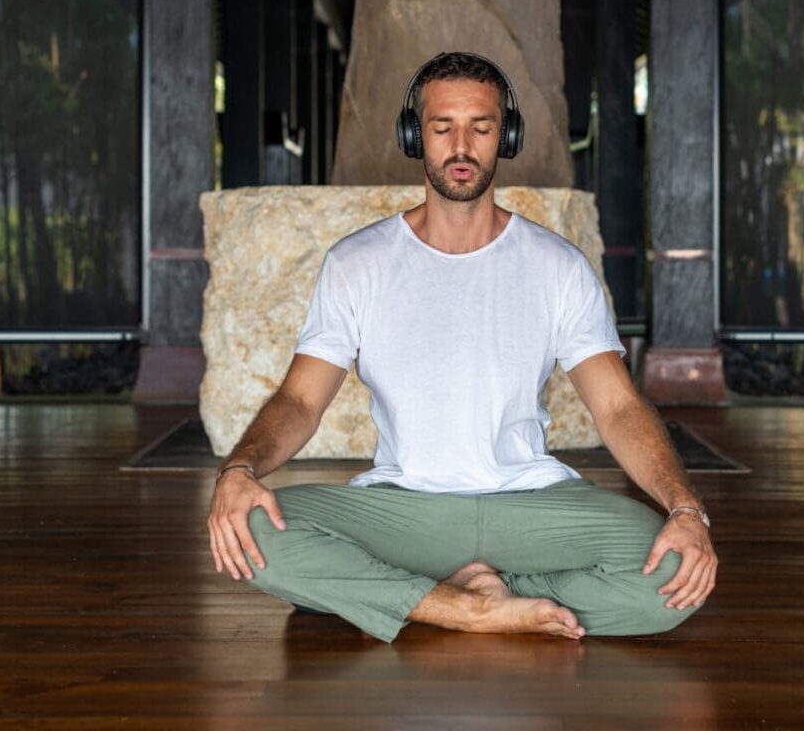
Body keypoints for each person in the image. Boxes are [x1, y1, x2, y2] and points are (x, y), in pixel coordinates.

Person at [207, 51, 717, 643]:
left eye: (481, 126)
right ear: (413, 135)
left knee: (678, 570)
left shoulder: (557, 267)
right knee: (251, 526)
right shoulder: (358, 263)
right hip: (404, 508)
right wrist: (238, 470)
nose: (461, 145)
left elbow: (619, 408)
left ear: (507, 135)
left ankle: (433, 592)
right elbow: (300, 401)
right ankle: (470, 607)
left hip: (529, 503)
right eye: (441, 126)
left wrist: (686, 510)